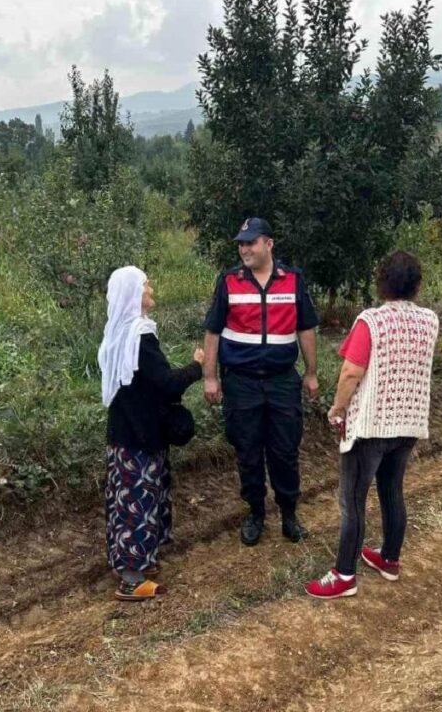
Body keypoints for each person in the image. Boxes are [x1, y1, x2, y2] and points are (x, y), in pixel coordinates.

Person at [305, 251, 439, 600]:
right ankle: (389, 559)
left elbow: (351, 372)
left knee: (353, 499)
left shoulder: (371, 322)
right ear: (417, 284)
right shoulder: (430, 321)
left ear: (381, 282)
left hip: (371, 425)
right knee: (392, 491)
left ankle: (344, 574)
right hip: (408, 422)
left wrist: (337, 408)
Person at [202, 217, 320, 546]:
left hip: (283, 381)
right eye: (241, 243)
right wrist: (210, 377)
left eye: (251, 242)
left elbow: (306, 329)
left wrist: (311, 372)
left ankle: (288, 514)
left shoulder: (293, 280)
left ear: (268, 244)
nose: (244, 249)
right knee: (248, 452)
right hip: (241, 383)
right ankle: (255, 512)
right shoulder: (229, 281)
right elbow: (212, 331)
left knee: (284, 451)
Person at [99, 266, 204, 601]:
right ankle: (131, 578)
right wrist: (197, 366)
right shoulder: (140, 337)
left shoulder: (118, 334)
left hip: (124, 434)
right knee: (138, 503)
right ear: (133, 294)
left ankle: (133, 563)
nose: (150, 287)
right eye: (145, 284)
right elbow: (166, 384)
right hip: (141, 438)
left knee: (124, 501)